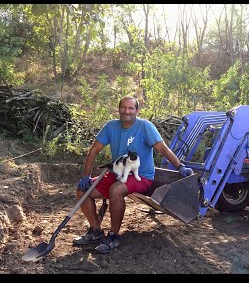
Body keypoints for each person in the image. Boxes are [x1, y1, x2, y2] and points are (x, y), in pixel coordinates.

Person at [73, 96, 194, 253]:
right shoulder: (111, 127)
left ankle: (114, 236)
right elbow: (94, 150)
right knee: (82, 191)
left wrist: (180, 166)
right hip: (118, 173)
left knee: (116, 190)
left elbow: (163, 149)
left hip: (141, 175)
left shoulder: (145, 127)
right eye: (123, 107)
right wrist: (85, 175)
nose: (126, 111)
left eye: (131, 108)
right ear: (119, 109)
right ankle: (95, 231)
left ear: (137, 111)